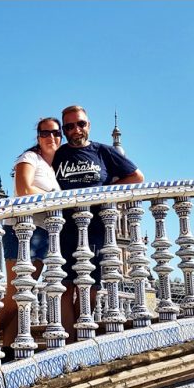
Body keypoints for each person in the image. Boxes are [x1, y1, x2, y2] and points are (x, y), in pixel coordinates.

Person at [0, 117, 62, 370]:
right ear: (38, 137)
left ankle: (10, 349)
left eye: (56, 133)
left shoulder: (52, 167)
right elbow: (23, 189)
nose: (51, 137)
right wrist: (59, 200)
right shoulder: (29, 158)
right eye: (45, 133)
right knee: (17, 291)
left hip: (43, 232)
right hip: (23, 230)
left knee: (27, 292)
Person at [53, 105, 144, 342]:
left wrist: (105, 192)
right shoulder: (58, 155)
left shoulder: (103, 151)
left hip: (96, 229)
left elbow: (137, 177)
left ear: (88, 125)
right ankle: (71, 340)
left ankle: (81, 330)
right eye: (70, 126)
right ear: (64, 130)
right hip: (64, 228)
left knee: (92, 285)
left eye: (80, 124)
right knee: (66, 285)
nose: (76, 129)